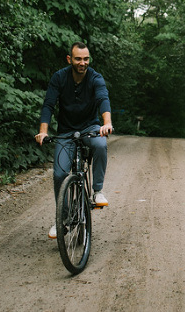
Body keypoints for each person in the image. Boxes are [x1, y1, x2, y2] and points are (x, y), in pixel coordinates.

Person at [35, 42, 114, 239]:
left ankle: (97, 191)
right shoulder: (59, 77)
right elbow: (48, 105)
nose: (82, 63)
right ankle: (63, 219)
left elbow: (103, 99)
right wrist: (43, 131)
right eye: (78, 59)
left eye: (86, 59)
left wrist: (107, 123)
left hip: (90, 127)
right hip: (66, 132)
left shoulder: (95, 78)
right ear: (69, 59)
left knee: (101, 144)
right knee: (60, 174)